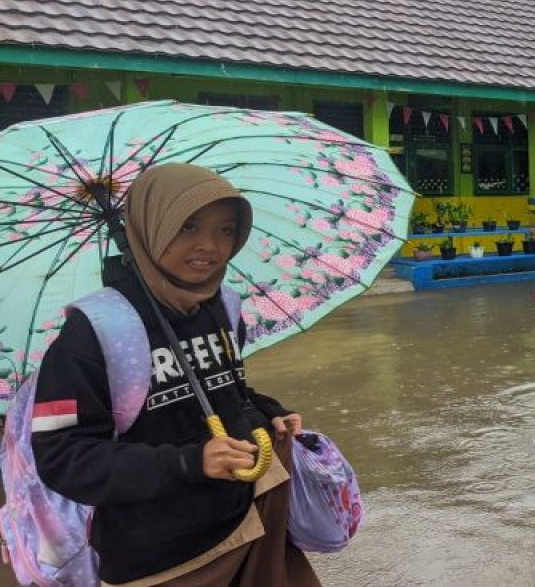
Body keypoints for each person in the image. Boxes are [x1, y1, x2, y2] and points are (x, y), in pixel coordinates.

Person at [31, 164, 320, 586]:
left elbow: (227, 389)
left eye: (226, 230)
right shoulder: (93, 331)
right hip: (163, 560)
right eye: (187, 227)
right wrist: (188, 462)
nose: (209, 246)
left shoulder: (222, 303)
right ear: (150, 228)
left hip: (249, 518)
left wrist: (268, 411)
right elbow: (62, 457)